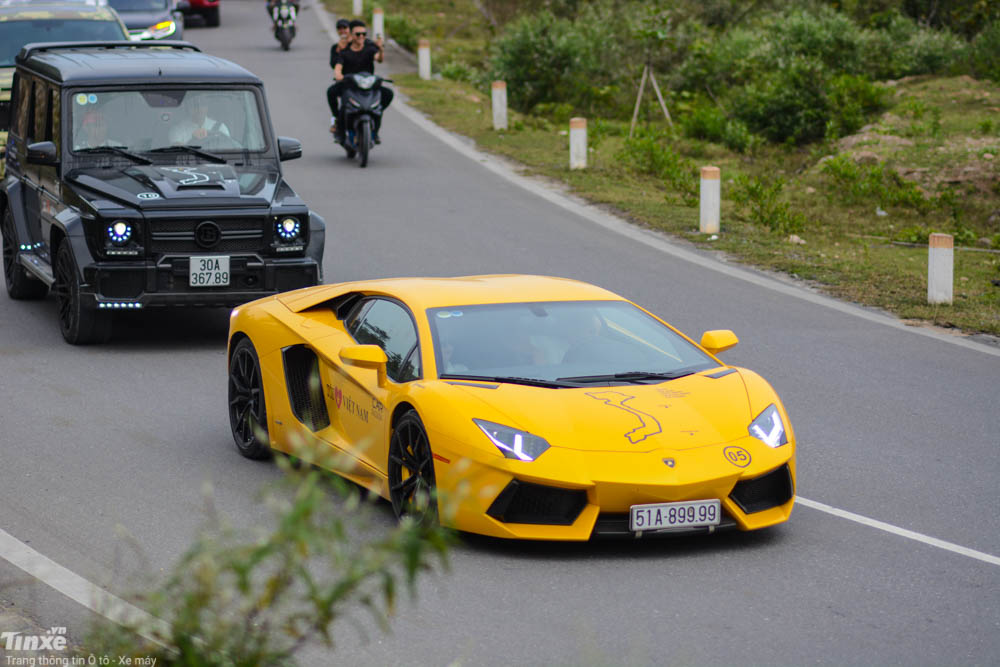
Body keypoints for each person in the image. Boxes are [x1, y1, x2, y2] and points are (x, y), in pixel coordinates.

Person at [329, 19, 393, 143]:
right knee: (336, 97)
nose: (361, 37)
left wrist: (381, 49)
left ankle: (375, 132)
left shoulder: (370, 48)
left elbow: (379, 59)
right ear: (351, 35)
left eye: (364, 34)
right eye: (358, 34)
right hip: (350, 85)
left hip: (368, 84)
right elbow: (337, 67)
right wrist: (339, 75)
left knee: (387, 94)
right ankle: (340, 128)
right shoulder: (344, 51)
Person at [325, 18, 352, 136]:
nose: (342, 31)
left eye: (345, 28)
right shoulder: (335, 47)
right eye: (339, 29)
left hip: (360, 81)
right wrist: (339, 50)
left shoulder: (356, 44)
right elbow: (333, 64)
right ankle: (335, 118)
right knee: (331, 92)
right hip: (344, 81)